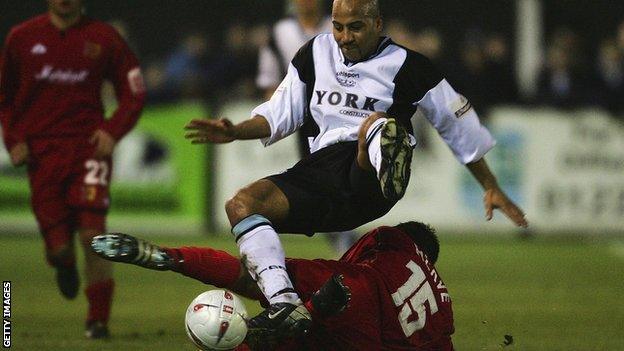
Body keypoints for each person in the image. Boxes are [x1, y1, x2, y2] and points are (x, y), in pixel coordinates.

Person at [184, 0, 527, 335]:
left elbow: (458, 125)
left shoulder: (409, 65)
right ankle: (284, 304)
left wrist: (490, 184)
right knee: (242, 205)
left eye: (355, 27)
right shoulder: (314, 53)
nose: (344, 36)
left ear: (377, 25)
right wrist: (235, 131)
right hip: (324, 176)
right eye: (338, 27)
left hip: (371, 181)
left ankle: (384, 152)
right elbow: (278, 113)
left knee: (376, 125)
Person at [0, 0, 145, 338]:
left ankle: (97, 321)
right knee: (61, 248)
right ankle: (62, 263)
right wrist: (14, 139)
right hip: (42, 154)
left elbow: (134, 91)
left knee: (92, 235)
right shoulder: (22, 38)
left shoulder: (104, 37)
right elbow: (3, 97)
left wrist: (112, 130)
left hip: (88, 149)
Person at [91, 221, 455, 350]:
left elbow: (243, 277)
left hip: (353, 299)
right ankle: (291, 321)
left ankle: (168, 258)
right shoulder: (441, 303)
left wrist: (172, 258)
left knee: (264, 283)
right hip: (378, 335)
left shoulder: (387, 254)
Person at [256, 0, 357, 255]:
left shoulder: (336, 26)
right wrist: (275, 111)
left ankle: (345, 234)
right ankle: (341, 236)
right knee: (318, 177)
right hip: (302, 116)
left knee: (338, 174)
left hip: (338, 112)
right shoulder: (280, 31)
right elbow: (269, 77)